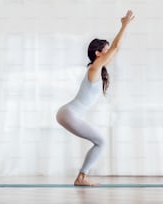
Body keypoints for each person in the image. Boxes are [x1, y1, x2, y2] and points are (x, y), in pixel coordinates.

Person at [56, 10, 135, 186]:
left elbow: (114, 49)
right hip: (69, 113)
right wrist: (124, 25)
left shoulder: (97, 71)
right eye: (105, 51)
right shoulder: (94, 68)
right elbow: (115, 47)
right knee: (101, 141)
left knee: (99, 141)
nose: (109, 54)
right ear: (98, 54)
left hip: (67, 113)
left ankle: (82, 177)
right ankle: (81, 177)